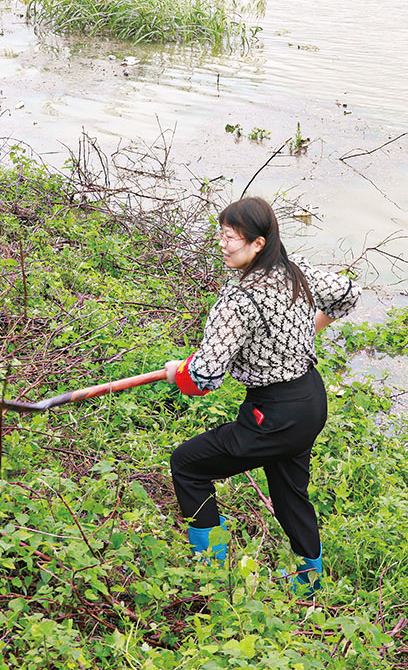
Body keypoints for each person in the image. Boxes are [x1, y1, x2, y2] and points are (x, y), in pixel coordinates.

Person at [164, 196, 360, 591]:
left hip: (273, 414)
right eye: (220, 235)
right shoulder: (296, 272)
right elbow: (348, 293)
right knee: (289, 488)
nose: (223, 244)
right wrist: (310, 331)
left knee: (188, 464)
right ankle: (310, 579)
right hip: (310, 400)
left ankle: (211, 570)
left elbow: (204, 378)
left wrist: (179, 373)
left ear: (257, 243)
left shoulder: (238, 300)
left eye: (232, 237)